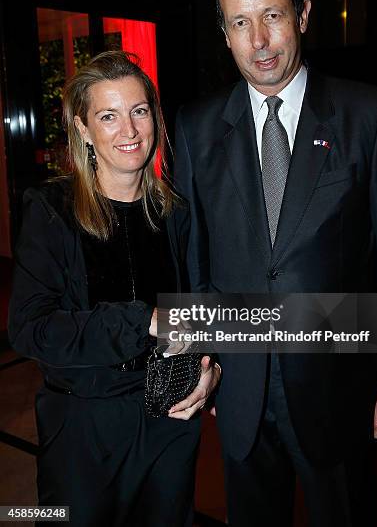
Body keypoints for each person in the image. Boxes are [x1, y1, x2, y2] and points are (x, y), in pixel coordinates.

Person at [174, 0, 377, 527]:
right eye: (239, 22)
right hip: (239, 392)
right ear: (224, 33)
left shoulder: (370, 115)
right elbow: (192, 259)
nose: (259, 39)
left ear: (302, 15)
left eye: (272, 15)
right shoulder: (196, 127)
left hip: (339, 389)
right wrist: (192, 364)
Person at [8, 50, 219, 527]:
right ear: (83, 129)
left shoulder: (178, 213)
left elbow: (201, 308)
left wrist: (211, 370)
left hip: (170, 420)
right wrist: (140, 319)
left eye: (139, 111)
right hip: (85, 431)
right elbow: (29, 328)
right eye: (108, 116)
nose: (129, 131)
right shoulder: (51, 211)